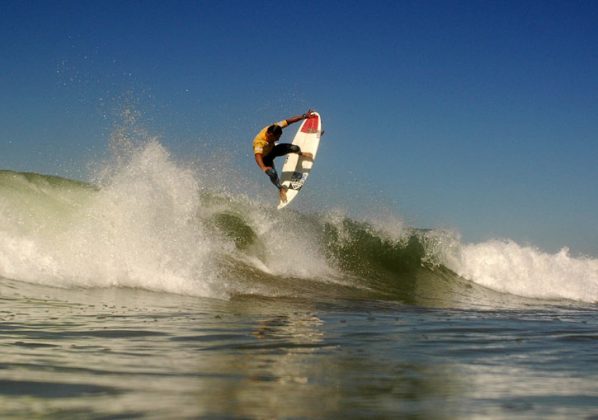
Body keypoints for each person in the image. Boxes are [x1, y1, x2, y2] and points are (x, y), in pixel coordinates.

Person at [253, 110, 314, 203]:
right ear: (270, 135)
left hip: (273, 150)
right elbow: (258, 156)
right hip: (265, 159)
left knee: (294, 147)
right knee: (272, 173)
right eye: (277, 137)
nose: (278, 139)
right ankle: (281, 189)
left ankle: (301, 153)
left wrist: (304, 116)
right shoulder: (259, 142)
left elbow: (289, 121)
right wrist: (264, 168)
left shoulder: (275, 127)